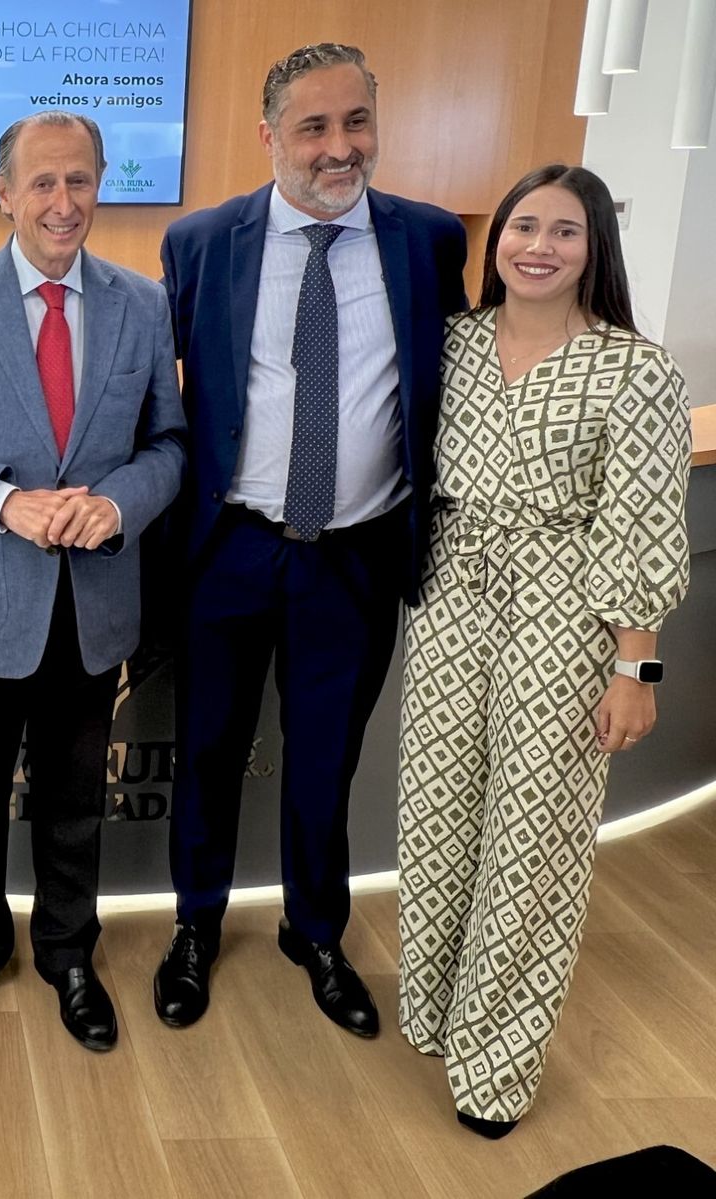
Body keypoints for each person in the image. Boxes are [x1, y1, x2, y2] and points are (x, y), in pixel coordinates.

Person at [156, 43, 467, 1037]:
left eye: (355, 123)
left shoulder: (426, 242)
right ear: (269, 138)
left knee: (324, 757)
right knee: (205, 750)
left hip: (356, 555)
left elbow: (451, 385)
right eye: (314, 128)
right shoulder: (201, 241)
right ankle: (195, 926)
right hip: (230, 549)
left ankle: (316, 930)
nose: (340, 149)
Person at [396, 164, 690, 1138]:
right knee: (438, 819)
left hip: (566, 621)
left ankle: (499, 1059)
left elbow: (645, 526)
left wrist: (634, 669)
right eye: (524, 225)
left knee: (534, 842)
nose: (537, 245)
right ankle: (439, 1014)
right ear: (497, 239)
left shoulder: (634, 370)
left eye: (564, 231)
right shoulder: (453, 343)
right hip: (448, 601)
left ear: (594, 247)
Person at [0, 110, 185, 1053]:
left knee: (71, 798)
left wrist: (119, 504)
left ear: (102, 184)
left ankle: (68, 952)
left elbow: (169, 445)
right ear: (4, 192)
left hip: (95, 603)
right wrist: (4, 502)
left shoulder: (143, 301)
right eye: (43, 184)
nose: (64, 203)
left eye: (81, 181)